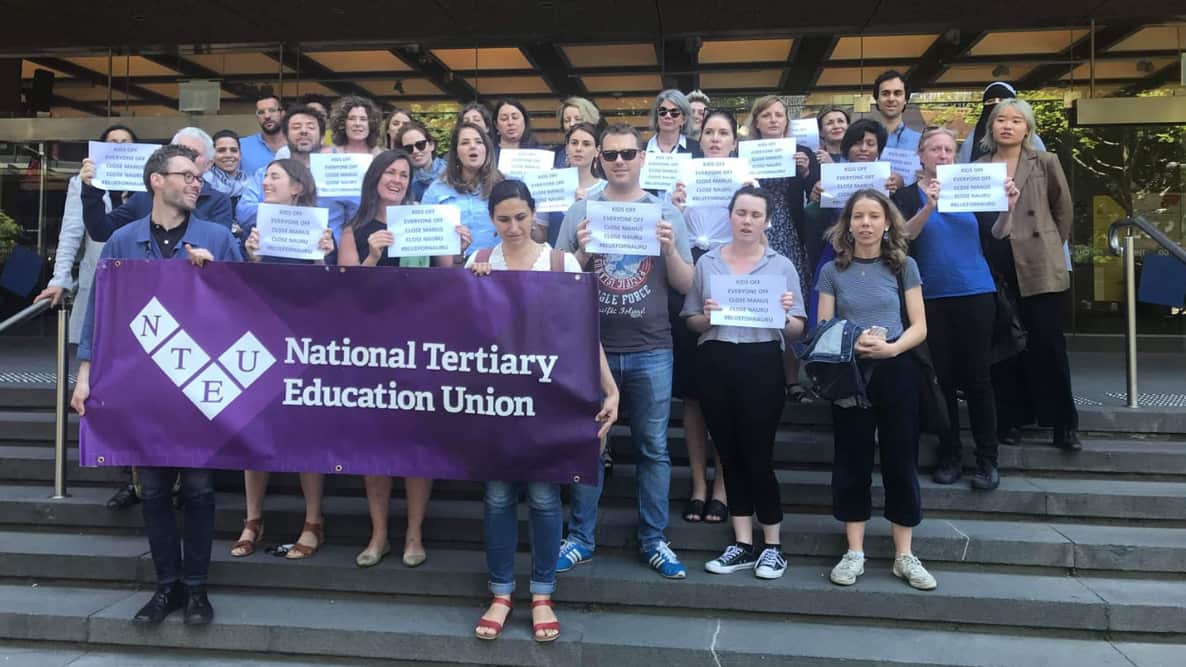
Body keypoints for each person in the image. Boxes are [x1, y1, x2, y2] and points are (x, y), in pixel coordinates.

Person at [71, 144, 243, 626]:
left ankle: (197, 590)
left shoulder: (217, 237)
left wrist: (220, 276)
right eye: (185, 175)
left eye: (197, 176)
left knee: (200, 490)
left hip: (199, 387)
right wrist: (84, 375)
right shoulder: (124, 240)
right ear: (157, 181)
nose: (196, 183)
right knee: (151, 490)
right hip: (141, 389)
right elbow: (100, 314)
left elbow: (249, 309)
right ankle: (165, 588)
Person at [466, 179, 620, 642]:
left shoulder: (561, 262)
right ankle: (499, 591)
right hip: (494, 402)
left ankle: (542, 593)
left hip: (548, 401)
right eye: (503, 219)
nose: (513, 227)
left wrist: (609, 389)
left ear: (534, 214)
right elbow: (457, 337)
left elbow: (582, 334)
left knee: (544, 497)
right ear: (491, 220)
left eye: (520, 217)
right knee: (496, 496)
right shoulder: (478, 263)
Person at [554, 124, 695, 579]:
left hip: (652, 347)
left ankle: (654, 539)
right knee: (588, 447)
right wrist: (581, 254)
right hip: (590, 349)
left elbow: (687, 284)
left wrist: (669, 249)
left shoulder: (665, 212)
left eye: (627, 154)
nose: (619, 162)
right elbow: (555, 282)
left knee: (653, 448)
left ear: (642, 159)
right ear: (599, 160)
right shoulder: (580, 211)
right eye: (611, 155)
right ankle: (580, 537)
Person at [335, 150, 472, 569]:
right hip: (369, 349)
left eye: (403, 174)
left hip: (420, 345)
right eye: (390, 172)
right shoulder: (353, 229)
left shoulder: (425, 219)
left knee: (417, 443)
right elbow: (342, 293)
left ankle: (413, 533)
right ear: (374, 176)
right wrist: (373, 257)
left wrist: (459, 249)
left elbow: (450, 280)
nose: (396, 179)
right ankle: (379, 534)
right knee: (375, 446)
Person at [815, 189, 937, 592]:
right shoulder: (832, 271)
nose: (866, 223)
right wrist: (852, 343)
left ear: (887, 223)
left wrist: (890, 348)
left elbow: (919, 326)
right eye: (858, 216)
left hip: (897, 368)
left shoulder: (904, 266)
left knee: (901, 457)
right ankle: (855, 551)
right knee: (852, 458)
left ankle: (905, 554)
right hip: (850, 373)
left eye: (874, 216)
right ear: (847, 223)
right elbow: (824, 329)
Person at [683, 186, 806, 579]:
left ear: (766, 220)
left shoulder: (781, 265)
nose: (747, 221)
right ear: (730, 216)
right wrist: (708, 315)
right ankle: (741, 542)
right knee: (729, 453)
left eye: (755, 215)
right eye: (741, 213)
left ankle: (772, 544)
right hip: (716, 358)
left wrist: (785, 317)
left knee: (758, 454)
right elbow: (691, 321)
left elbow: (798, 330)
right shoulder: (707, 263)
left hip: (760, 361)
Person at [895, 128, 1020, 490]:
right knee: (943, 381)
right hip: (930, 295)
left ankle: (987, 459)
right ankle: (949, 454)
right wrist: (928, 206)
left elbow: (997, 233)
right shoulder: (906, 195)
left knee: (978, 379)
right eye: (936, 148)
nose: (944, 155)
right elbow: (902, 237)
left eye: (949, 149)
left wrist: (1008, 210)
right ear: (921, 155)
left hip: (976, 291)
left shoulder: (970, 186)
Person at [232, 159, 334, 560]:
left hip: (306, 341)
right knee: (253, 425)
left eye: (275, 176)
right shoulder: (256, 231)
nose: (267, 182)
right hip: (262, 339)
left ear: (297, 187)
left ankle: (312, 522)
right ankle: (252, 519)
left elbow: (334, 294)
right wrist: (253, 258)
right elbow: (240, 292)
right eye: (265, 176)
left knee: (306, 429)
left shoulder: (320, 229)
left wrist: (324, 258)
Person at [36, 124, 140, 511]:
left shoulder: (150, 183)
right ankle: (126, 477)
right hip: (103, 292)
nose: (118, 148)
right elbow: (71, 232)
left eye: (125, 144)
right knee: (106, 387)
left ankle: (149, 475)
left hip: (148, 296)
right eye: (111, 143)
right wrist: (60, 278)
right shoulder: (84, 184)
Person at [976, 99, 1080, 451]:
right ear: (991, 127)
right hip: (997, 264)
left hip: (1038, 263)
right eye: (1001, 120)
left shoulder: (1046, 161)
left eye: (1016, 120)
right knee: (1005, 346)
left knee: (1048, 343)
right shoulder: (978, 166)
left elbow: (1062, 209)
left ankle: (1063, 424)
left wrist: (1050, 245)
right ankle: (1011, 419)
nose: (1007, 126)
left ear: (1027, 128)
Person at [669, 109, 751, 523]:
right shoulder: (681, 179)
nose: (715, 139)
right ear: (698, 139)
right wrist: (675, 208)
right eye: (708, 132)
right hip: (690, 274)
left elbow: (758, 234)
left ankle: (723, 486)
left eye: (723, 133)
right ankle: (699, 484)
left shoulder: (746, 180)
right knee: (695, 395)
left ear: (734, 141)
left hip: (733, 274)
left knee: (727, 390)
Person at [804, 119, 902, 327]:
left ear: (879, 149)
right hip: (837, 255)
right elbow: (812, 219)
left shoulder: (889, 181)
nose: (864, 149)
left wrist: (897, 191)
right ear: (847, 147)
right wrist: (815, 199)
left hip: (879, 257)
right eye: (858, 143)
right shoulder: (830, 178)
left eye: (870, 143)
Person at [80, 127, 233, 242]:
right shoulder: (145, 196)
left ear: (209, 163)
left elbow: (217, 246)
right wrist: (92, 189)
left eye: (193, 153)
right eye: (178, 150)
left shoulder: (218, 201)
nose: (185, 157)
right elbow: (101, 231)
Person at [237, 105, 361, 242]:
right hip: (277, 249)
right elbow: (244, 213)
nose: (303, 131)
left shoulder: (340, 172)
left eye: (311, 127)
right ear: (285, 136)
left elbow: (357, 215)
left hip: (328, 254)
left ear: (321, 137)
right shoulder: (266, 173)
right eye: (296, 127)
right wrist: (287, 213)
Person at [421, 121, 502, 259]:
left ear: (487, 149)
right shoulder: (437, 189)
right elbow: (423, 234)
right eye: (465, 143)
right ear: (456, 152)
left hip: (498, 267)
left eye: (478, 142)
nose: (472, 146)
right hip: (453, 270)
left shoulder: (505, 184)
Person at [532, 121, 606, 247]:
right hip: (556, 263)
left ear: (597, 151)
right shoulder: (550, 184)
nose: (578, 148)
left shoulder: (606, 189)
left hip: (594, 264)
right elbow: (540, 239)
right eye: (574, 143)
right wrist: (530, 220)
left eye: (586, 144)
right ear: (566, 148)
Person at [958, 82, 1046, 164]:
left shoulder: (1033, 141)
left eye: (1001, 100)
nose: (996, 104)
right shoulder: (971, 140)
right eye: (990, 101)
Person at [203, 130, 251, 234]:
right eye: (221, 150)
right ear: (212, 155)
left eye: (233, 150)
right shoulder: (203, 183)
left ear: (240, 155)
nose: (228, 155)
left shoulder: (251, 184)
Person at [396, 121, 446, 202]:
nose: (415, 151)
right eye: (408, 148)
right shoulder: (400, 179)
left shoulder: (450, 174)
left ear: (431, 145)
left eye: (420, 145)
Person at [872, 70, 921, 152]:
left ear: (906, 100)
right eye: (885, 93)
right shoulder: (862, 142)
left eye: (897, 93)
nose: (891, 99)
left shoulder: (921, 142)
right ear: (877, 100)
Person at [240, 94, 287, 175]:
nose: (267, 116)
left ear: (283, 113)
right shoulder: (241, 146)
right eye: (261, 112)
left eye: (272, 110)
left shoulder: (296, 145)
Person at [553, 96, 601, 168]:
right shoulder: (554, 154)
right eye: (567, 120)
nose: (572, 124)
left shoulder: (605, 155)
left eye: (578, 119)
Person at [646, 89, 696, 156]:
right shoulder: (641, 149)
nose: (668, 116)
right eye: (662, 111)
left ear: (684, 119)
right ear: (656, 116)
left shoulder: (697, 149)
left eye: (674, 112)